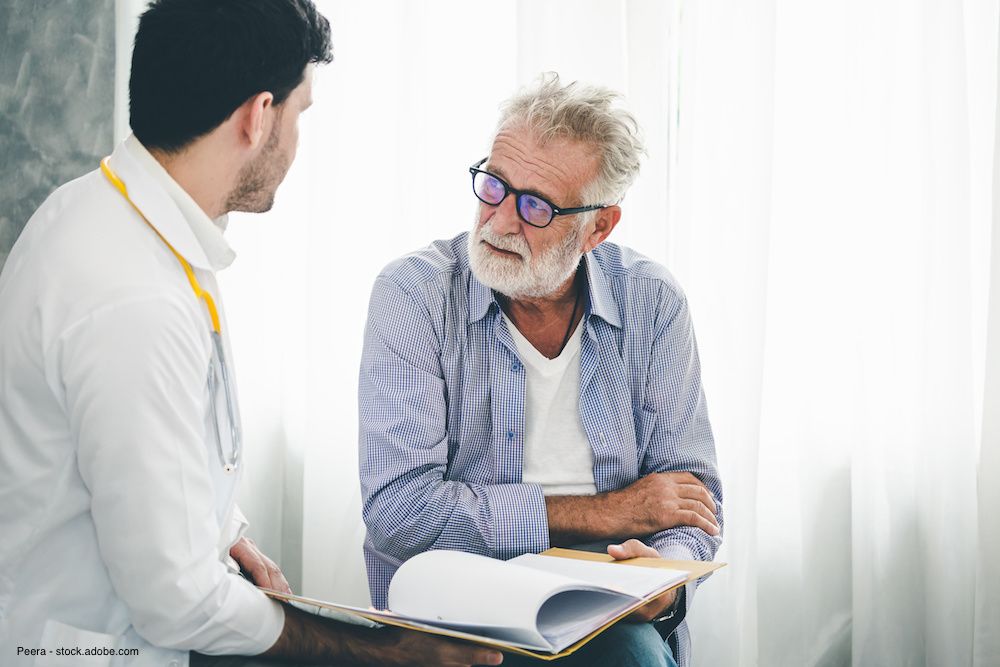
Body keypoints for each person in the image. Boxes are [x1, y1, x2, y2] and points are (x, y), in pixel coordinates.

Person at [0, 1, 502, 666]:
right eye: (300, 114)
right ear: (258, 115)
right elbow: (178, 600)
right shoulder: (134, 298)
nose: (296, 141)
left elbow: (151, 452)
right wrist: (377, 649)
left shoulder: (110, 211)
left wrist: (223, 530)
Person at [359, 73, 723, 667]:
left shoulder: (653, 301)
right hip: (457, 610)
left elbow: (689, 500)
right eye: (494, 185)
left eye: (536, 206)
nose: (500, 221)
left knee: (631, 655)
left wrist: (665, 580)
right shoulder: (414, 293)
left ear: (598, 227)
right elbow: (399, 512)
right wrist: (611, 512)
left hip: (605, 609)